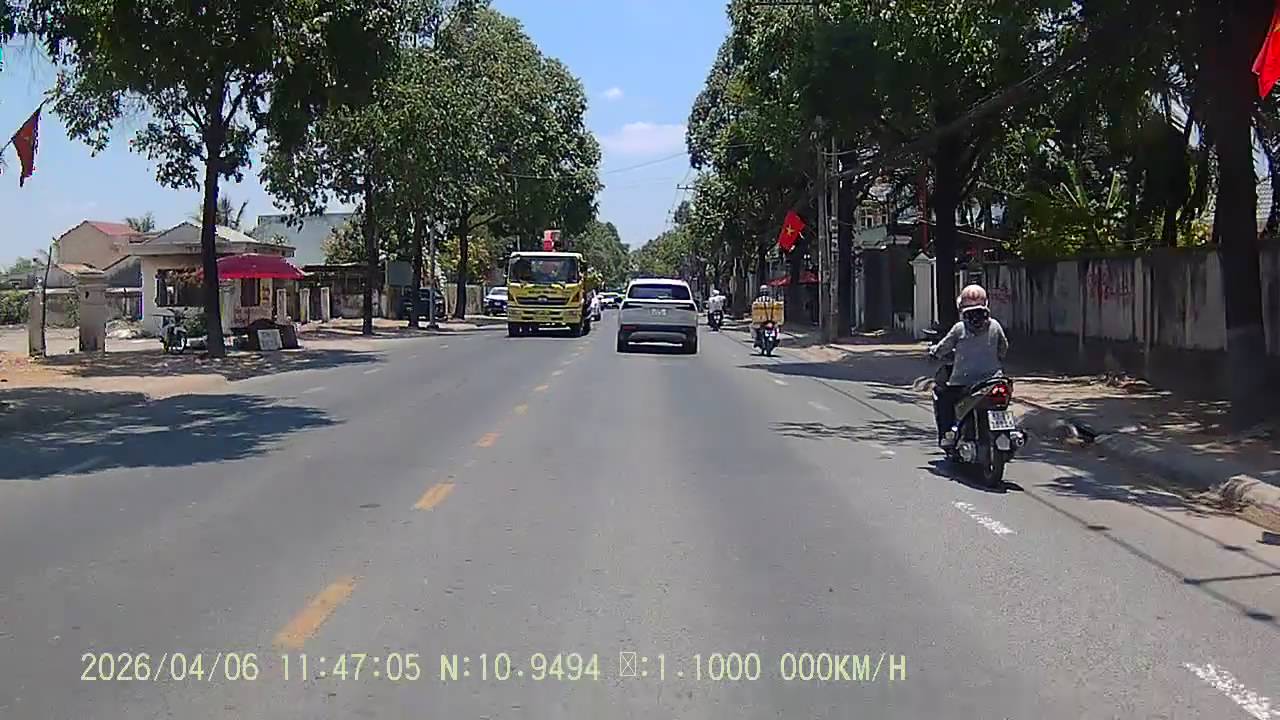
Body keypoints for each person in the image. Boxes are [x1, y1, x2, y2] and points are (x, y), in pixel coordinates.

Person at [928, 284, 1009, 448]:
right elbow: (1003, 348)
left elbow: (943, 348)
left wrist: (934, 352)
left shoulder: (959, 328)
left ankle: (948, 435)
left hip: (963, 383)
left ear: (961, 306)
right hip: (994, 380)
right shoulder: (995, 325)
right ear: (985, 303)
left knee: (942, 396)